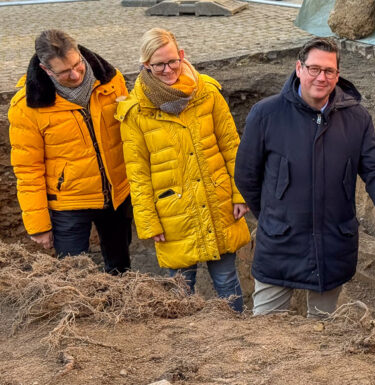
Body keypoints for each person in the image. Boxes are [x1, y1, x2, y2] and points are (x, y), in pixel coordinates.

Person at [235, 37, 375, 319]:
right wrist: (274, 215)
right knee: (263, 335)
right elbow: (246, 175)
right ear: (299, 68)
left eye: (329, 71)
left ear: (337, 75)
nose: (321, 77)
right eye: (314, 69)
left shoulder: (356, 118)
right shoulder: (266, 114)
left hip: (331, 248)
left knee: (322, 339)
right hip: (279, 245)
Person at [116, 28, 250, 312]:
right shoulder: (136, 112)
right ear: (145, 66)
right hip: (172, 212)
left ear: (182, 55)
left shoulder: (207, 93)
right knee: (180, 287)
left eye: (172, 61)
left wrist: (240, 194)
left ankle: (240, 334)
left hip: (217, 202)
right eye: (158, 65)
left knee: (226, 279)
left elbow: (231, 146)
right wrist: (149, 222)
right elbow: (137, 173)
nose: (168, 70)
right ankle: (184, 344)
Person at [9, 29, 132, 275]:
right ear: (46, 70)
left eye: (78, 65)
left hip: (116, 195)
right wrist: (38, 225)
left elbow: (130, 136)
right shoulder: (26, 107)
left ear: (81, 55)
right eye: (65, 72)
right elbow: (27, 169)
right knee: (73, 276)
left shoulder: (111, 80)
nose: (75, 74)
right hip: (68, 205)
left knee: (121, 270)